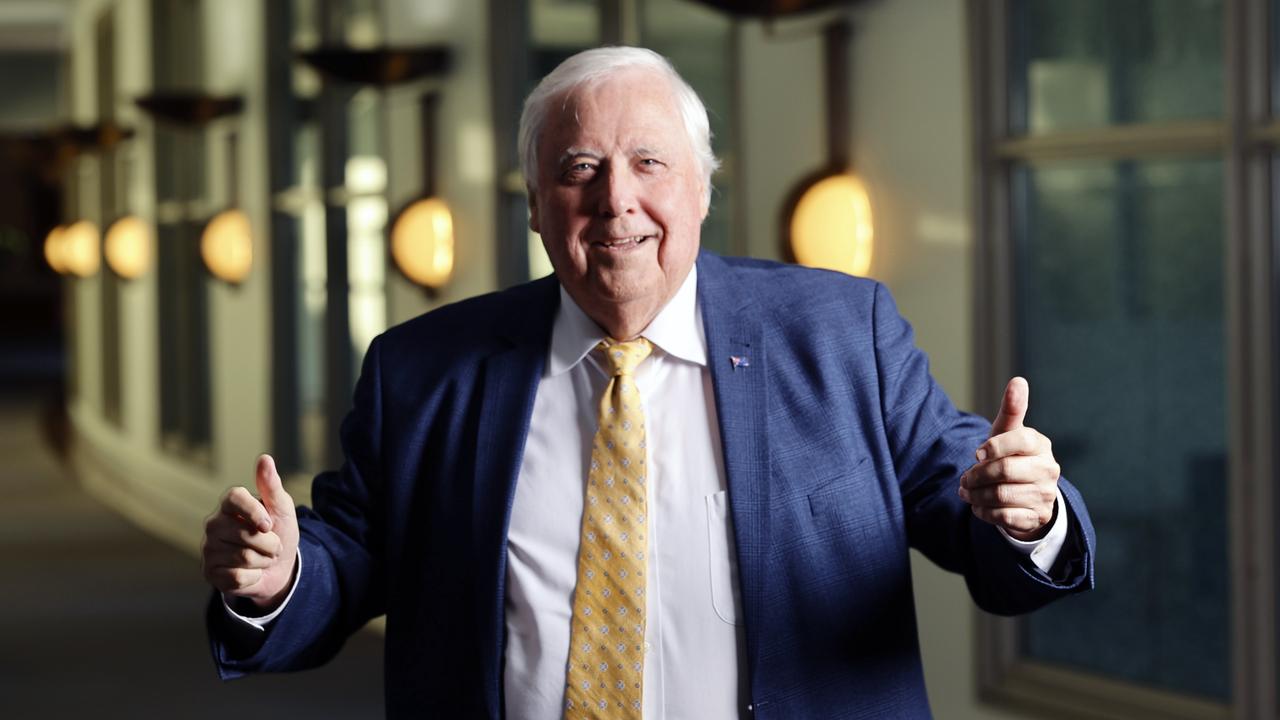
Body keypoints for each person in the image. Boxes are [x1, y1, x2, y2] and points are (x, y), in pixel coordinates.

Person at [202, 46, 1094, 719]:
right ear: (535, 205)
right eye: (578, 169)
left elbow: (968, 510)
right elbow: (351, 558)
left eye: (649, 163)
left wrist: (1029, 514)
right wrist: (277, 578)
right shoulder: (423, 367)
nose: (615, 200)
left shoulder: (840, 332)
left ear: (702, 190)